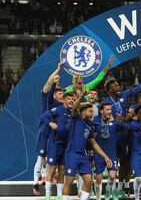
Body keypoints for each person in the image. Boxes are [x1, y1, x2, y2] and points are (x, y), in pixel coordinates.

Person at [102, 66, 141, 197]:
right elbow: (103, 116)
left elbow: (140, 87)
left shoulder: (125, 94)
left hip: (124, 132)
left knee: (125, 161)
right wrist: (111, 118)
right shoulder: (105, 101)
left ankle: (120, 189)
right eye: (115, 86)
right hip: (112, 133)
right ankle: (110, 190)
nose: (118, 87)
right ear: (108, 89)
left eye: (118, 85)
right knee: (113, 162)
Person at [62, 92, 112, 200]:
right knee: (69, 182)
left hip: (82, 155)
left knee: (89, 181)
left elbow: (94, 144)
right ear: (83, 113)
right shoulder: (76, 118)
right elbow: (75, 107)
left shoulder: (89, 126)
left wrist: (105, 157)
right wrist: (81, 96)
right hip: (72, 153)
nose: (92, 113)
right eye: (90, 111)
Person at [33, 61, 63, 195]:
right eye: (58, 91)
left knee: (51, 159)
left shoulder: (62, 102)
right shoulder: (47, 97)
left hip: (55, 133)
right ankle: (35, 184)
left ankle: (46, 180)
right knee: (41, 157)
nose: (61, 93)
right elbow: (48, 83)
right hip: (45, 131)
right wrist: (57, 70)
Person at [41, 92, 75, 200]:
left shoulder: (73, 113)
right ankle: (47, 195)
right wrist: (50, 123)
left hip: (66, 146)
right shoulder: (59, 109)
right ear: (64, 100)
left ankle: (59, 195)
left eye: (73, 99)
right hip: (55, 144)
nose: (71, 101)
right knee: (51, 168)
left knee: (62, 170)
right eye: (69, 99)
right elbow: (43, 117)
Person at [92, 102, 121, 200]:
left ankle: (109, 190)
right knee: (99, 177)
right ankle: (98, 197)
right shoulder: (96, 120)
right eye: (107, 109)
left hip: (112, 153)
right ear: (101, 111)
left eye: (110, 109)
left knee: (112, 176)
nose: (110, 111)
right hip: (99, 153)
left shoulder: (115, 121)